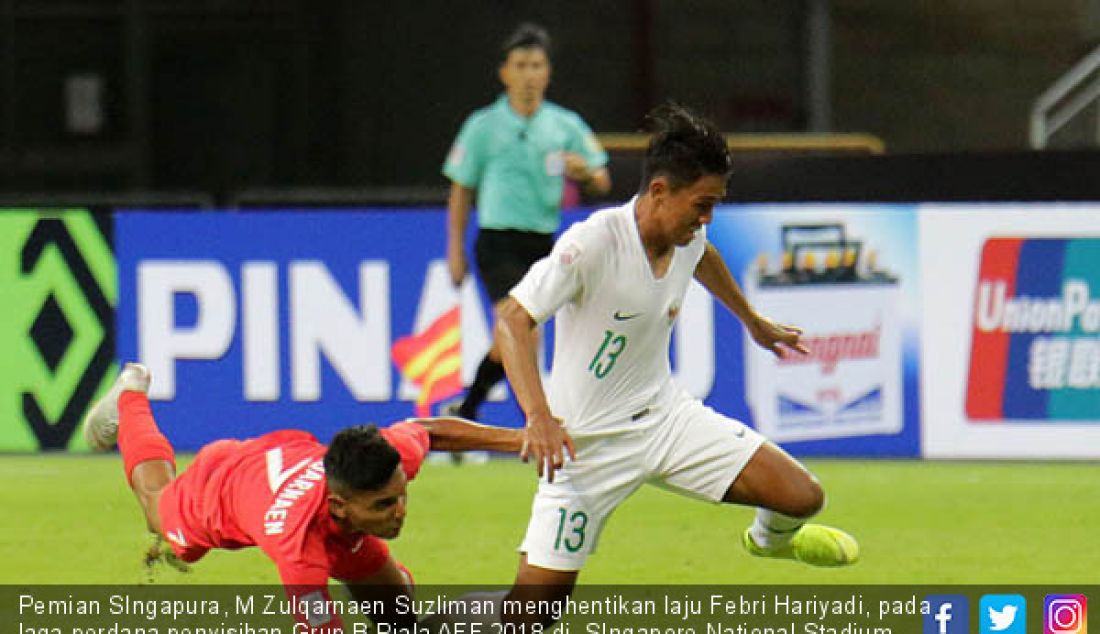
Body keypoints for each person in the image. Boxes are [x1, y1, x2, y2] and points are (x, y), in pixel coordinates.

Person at [490, 104, 860, 625]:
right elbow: (512, 319)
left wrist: (751, 319)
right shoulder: (593, 243)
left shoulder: (687, 236)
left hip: (666, 421)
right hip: (586, 450)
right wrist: (539, 417)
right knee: (528, 617)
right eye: (702, 205)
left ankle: (765, 543)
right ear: (659, 191)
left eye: (715, 206)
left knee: (802, 497)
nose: (707, 219)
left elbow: (703, 254)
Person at [82, 362, 522, 632]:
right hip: (221, 487)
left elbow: (428, 431)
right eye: (384, 506)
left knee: (400, 617)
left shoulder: (382, 461)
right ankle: (132, 395)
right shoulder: (300, 558)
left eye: (400, 496)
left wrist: (524, 438)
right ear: (341, 505)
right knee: (159, 511)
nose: (400, 512)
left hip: (284, 465)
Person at [442, 22, 611, 423]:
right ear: (505, 73)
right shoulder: (483, 126)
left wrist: (585, 173)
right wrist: (454, 250)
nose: (529, 75)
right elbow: (461, 190)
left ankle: (467, 408)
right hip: (498, 242)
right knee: (524, 330)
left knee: (513, 335)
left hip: (542, 244)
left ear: (547, 72)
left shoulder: (564, 125)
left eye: (536, 65)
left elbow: (602, 178)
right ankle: (537, 422)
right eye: (520, 65)